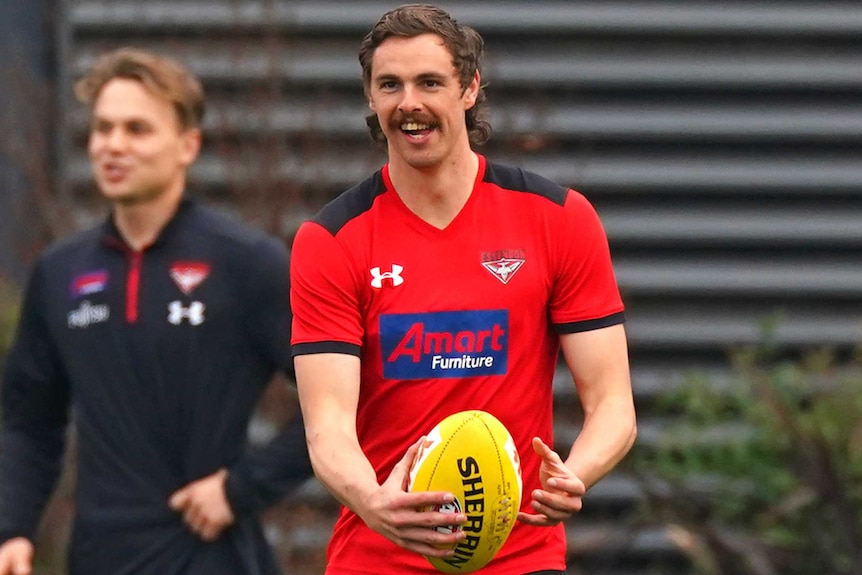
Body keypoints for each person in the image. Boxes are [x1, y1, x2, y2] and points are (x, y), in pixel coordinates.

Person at [289, 4, 638, 575]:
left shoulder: (558, 218)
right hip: (377, 558)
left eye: (430, 82)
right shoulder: (331, 240)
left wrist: (580, 472)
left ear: (470, 88)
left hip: (521, 557)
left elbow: (613, 404)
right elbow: (326, 426)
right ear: (370, 99)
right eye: (389, 85)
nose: (410, 104)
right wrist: (373, 501)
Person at [0, 48, 312, 575]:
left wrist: (241, 489)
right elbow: (30, 422)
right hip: (99, 557)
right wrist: (12, 529)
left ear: (187, 145)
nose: (112, 146)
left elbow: (345, 398)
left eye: (136, 129)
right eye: (102, 129)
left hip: (213, 556)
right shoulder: (60, 273)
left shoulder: (247, 264)